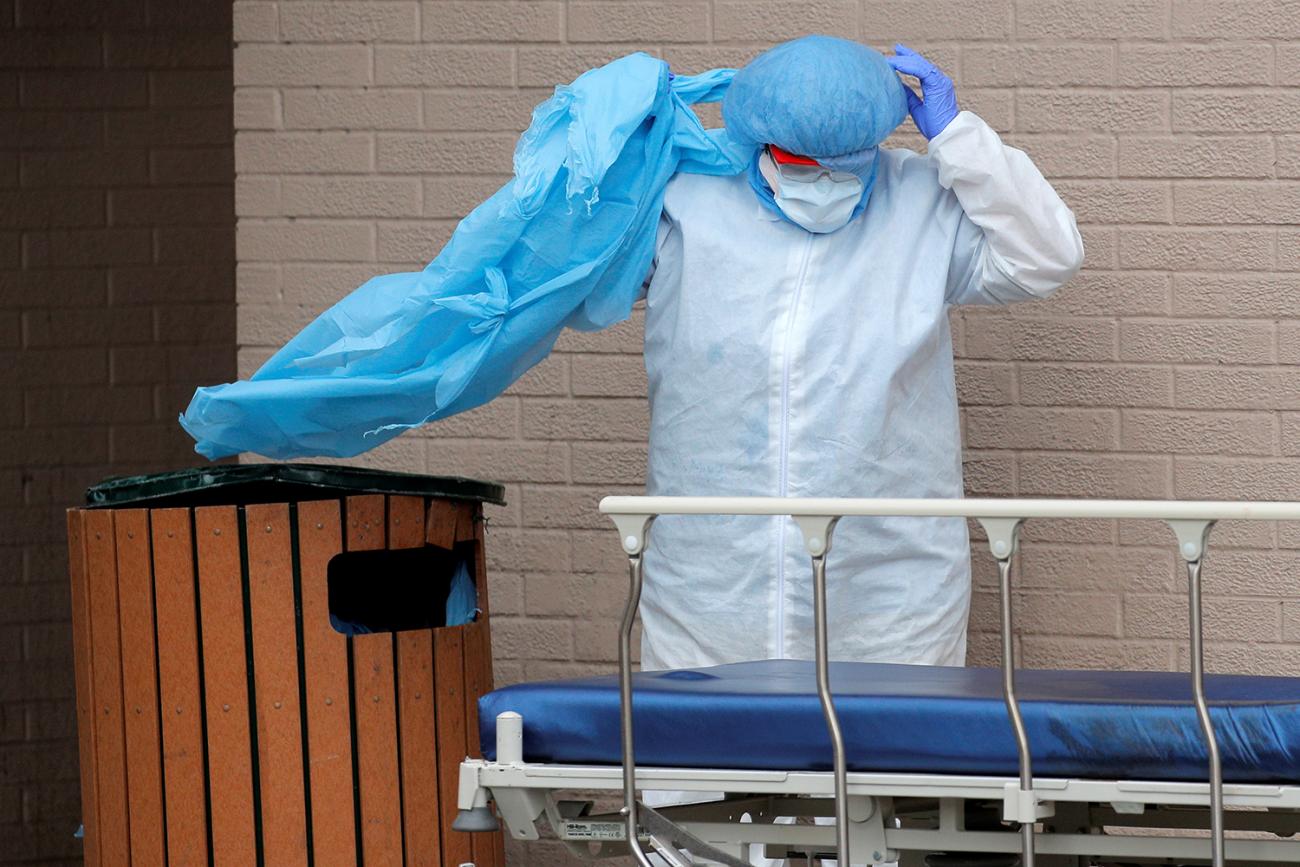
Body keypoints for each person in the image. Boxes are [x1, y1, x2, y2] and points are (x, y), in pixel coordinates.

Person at [637, 35, 1082, 867]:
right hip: (712, 576)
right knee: (701, 805)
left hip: (889, 577)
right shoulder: (689, 199)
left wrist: (958, 138)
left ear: (878, 142)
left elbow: (1047, 254)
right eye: (798, 160)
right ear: (758, 144)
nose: (819, 179)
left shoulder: (920, 200)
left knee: (878, 810)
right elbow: (576, 283)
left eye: (839, 161)